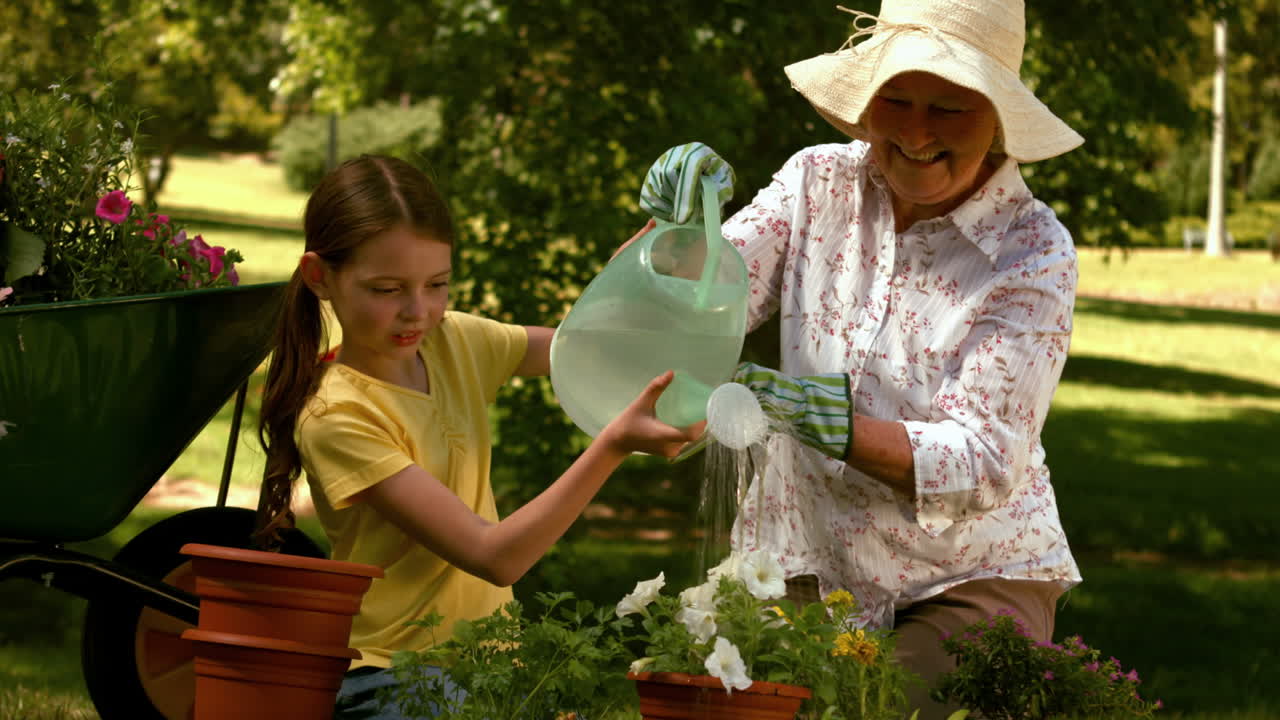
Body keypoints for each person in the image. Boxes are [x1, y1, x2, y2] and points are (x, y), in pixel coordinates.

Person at [640, 0, 1085, 716]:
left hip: (964, 573)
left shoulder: (1031, 251)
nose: (914, 132)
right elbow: (690, 311)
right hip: (800, 554)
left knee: (876, 707)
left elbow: (984, 459)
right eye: (897, 100)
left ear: (997, 119)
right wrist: (678, 231)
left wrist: (820, 417)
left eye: (948, 108)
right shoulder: (818, 181)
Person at [255, 154, 701, 719]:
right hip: (396, 680)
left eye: (437, 284)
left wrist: (638, 274)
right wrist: (612, 445)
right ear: (320, 276)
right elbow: (495, 556)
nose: (418, 311)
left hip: (493, 672)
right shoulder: (337, 415)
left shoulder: (451, 342)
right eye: (387, 289)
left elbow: (594, 347)